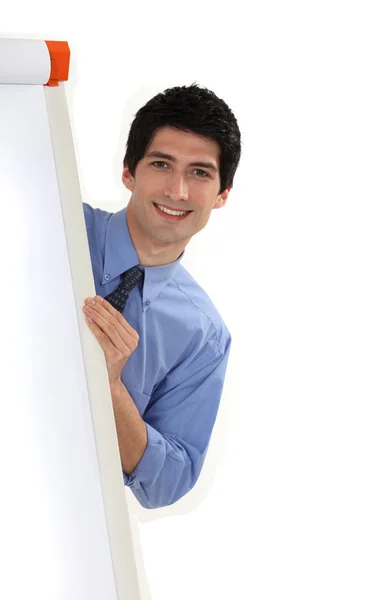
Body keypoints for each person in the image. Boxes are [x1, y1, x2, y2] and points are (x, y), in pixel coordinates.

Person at [81, 83, 241, 509]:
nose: (178, 191)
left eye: (200, 173)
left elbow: (168, 482)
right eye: (161, 164)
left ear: (222, 194)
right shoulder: (55, 222)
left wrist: (112, 388)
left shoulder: (203, 335)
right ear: (128, 172)